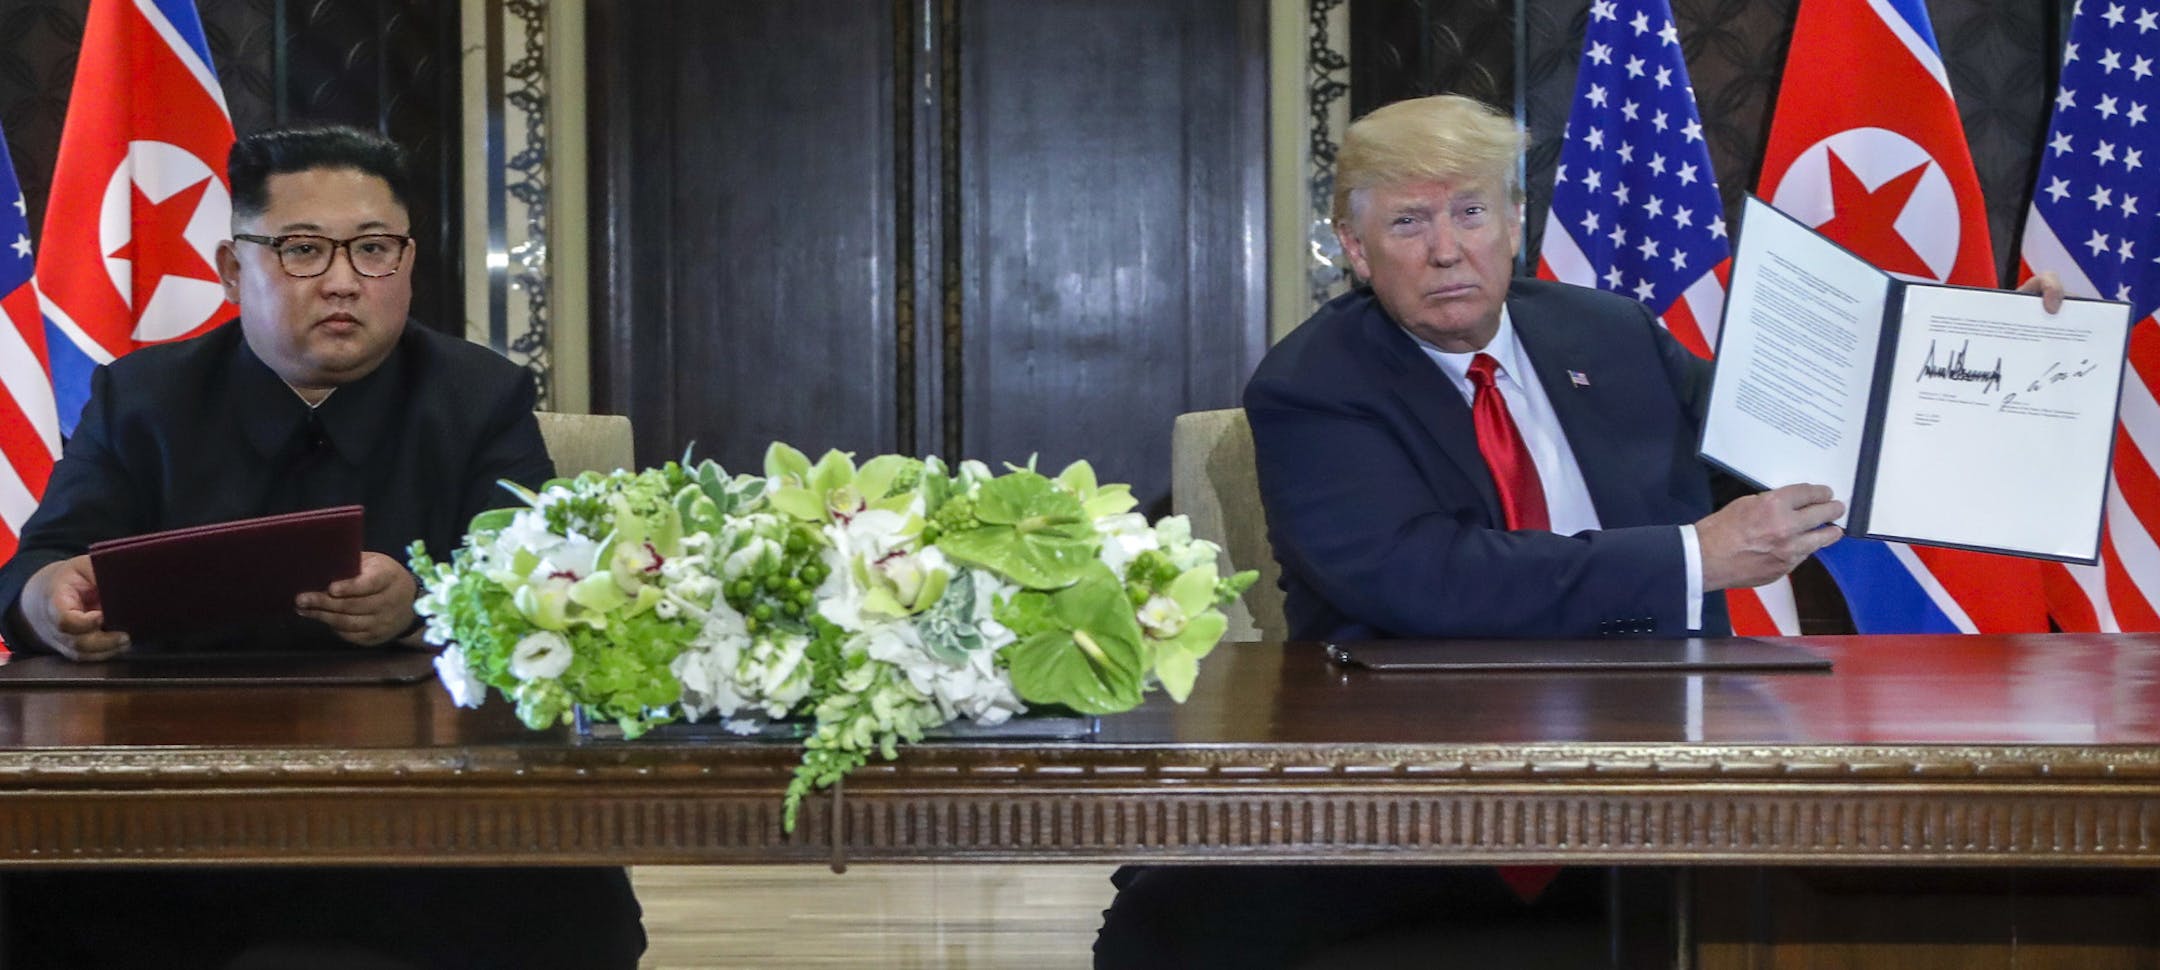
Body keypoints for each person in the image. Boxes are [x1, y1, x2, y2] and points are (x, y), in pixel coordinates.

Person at [1095, 95, 2061, 968]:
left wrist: (1960, 363)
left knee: (1945, 868)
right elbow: (1424, 578)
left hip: (1659, 769)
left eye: (1471, 212)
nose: (1447, 249)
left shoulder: (1611, 335)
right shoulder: (1314, 385)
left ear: (1515, 222)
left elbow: (1791, 451)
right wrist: (1694, 555)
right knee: (1164, 929)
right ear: (1354, 247)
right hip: (1422, 782)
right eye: (1409, 222)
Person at [0, 125, 644, 969]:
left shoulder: (480, 397)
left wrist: (422, 602)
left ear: (408, 262)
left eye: (373, 249)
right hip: (177, 812)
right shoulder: (143, 398)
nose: (343, 281)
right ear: (234, 269)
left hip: (426, 818)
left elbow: (541, 582)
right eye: (302, 250)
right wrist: (49, 599)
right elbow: (35, 569)